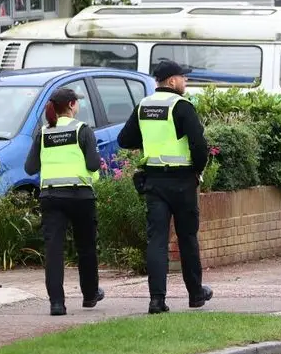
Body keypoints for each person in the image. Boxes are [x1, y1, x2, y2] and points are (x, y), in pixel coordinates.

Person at [118, 60, 214, 314]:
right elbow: (199, 146)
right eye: (183, 78)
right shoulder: (182, 107)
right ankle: (195, 294)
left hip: (154, 183)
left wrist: (150, 139)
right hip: (182, 182)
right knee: (187, 238)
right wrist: (197, 170)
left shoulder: (143, 106)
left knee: (157, 240)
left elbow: (124, 139)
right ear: (172, 81)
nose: (186, 82)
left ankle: (157, 300)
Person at [24, 87, 105, 316]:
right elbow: (93, 165)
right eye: (76, 102)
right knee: (86, 247)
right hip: (80, 196)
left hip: (51, 197)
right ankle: (90, 296)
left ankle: (57, 304)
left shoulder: (43, 133)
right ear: (71, 105)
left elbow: (30, 168)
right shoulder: (83, 130)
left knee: (54, 250)